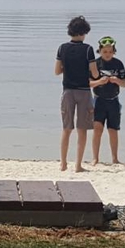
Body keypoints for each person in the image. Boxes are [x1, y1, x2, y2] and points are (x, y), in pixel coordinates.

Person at [54, 16, 99, 172]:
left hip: (67, 91)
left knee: (66, 129)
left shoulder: (62, 48)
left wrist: (69, 69)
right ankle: (78, 165)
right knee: (82, 129)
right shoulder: (88, 49)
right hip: (84, 92)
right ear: (83, 32)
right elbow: (94, 73)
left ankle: (63, 163)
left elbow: (57, 71)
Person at [89, 36, 125, 165]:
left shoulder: (118, 64)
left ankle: (115, 158)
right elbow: (88, 83)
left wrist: (117, 80)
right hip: (99, 100)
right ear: (99, 51)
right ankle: (95, 158)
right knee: (97, 129)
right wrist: (99, 81)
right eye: (105, 51)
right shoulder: (95, 64)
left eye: (110, 52)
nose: (108, 54)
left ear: (114, 52)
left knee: (113, 130)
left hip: (114, 101)